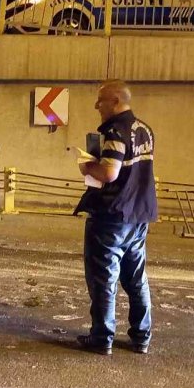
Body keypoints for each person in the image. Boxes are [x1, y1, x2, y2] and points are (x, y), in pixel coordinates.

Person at [74, 80, 157, 356]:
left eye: (102, 100)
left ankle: (102, 337)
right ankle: (141, 337)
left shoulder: (115, 131)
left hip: (112, 216)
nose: (97, 106)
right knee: (136, 279)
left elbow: (109, 173)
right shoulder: (145, 130)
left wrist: (87, 166)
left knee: (104, 279)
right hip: (138, 216)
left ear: (117, 100)